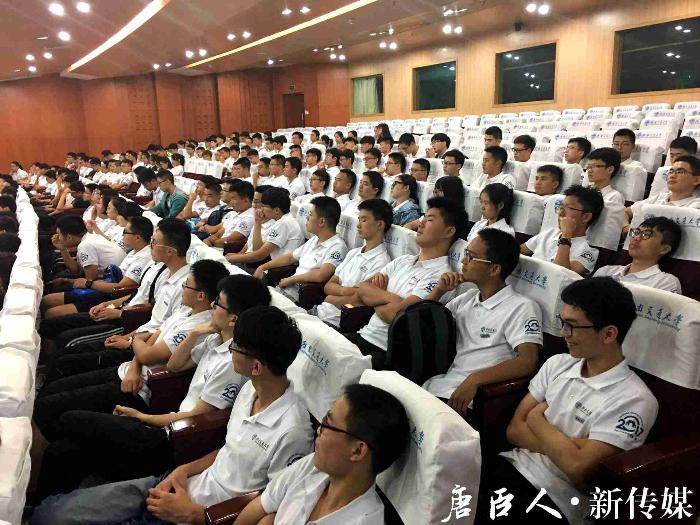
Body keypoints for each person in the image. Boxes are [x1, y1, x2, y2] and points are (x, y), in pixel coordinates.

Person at [29, 305, 314, 525]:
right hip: (182, 483)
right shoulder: (251, 391)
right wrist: (183, 470)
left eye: (234, 348)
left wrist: (198, 514)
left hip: (197, 514)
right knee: (49, 513)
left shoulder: (292, 432)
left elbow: (271, 502)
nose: (230, 352)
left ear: (256, 367)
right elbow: (228, 451)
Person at [32, 275, 271, 498]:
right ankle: (38, 502)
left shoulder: (233, 363)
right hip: (164, 420)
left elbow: (196, 416)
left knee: (69, 418)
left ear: (233, 319)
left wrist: (143, 417)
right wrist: (194, 335)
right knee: (62, 451)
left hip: (168, 438)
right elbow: (175, 365)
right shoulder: (212, 339)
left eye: (217, 304)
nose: (211, 307)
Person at [476, 278, 658, 525]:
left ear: (608, 334)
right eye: (563, 323)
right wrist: (567, 448)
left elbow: (578, 469)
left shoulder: (634, 399)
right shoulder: (558, 364)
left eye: (571, 326)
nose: (563, 333)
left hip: (557, 497)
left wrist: (535, 419)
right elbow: (514, 431)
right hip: (511, 464)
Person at [235, 383, 410, 525]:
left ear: (357, 451)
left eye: (327, 424)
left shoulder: (365, 521)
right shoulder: (311, 467)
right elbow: (261, 506)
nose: (319, 429)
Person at [423, 229, 542, 412]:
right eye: (465, 254)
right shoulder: (467, 298)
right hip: (438, 384)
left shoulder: (521, 306)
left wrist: (475, 379)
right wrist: (438, 291)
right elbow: (423, 323)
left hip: (468, 398)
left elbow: (527, 361)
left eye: (471, 257)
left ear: (494, 269)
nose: (463, 262)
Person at [351, 198, 467, 368]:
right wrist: (391, 300)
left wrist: (376, 299)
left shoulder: (441, 276)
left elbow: (400, 318)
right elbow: (362, 289)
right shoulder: (403, 260)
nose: (420, 223)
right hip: (362, 335)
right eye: (423, 217)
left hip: (385, 351)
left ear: (449, 231)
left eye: (429, 220)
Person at [41, 215, 153, 318]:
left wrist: (89, 286)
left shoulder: (144, 257)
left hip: (111, 297)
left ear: (137, 238)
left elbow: (117, 288)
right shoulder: (134, 252)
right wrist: (63, 250)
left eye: (125, 232)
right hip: (105, 289)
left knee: (50, 310)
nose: (122, 235)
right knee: (50, 296)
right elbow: (80, 273)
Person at [255, 196, 348, 302]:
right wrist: (262, 267)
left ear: (322, 221)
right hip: (285, 289)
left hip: (298, 296)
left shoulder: (337, 247)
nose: (307, 218)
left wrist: (291, 279)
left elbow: (321, 275)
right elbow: (290, 257)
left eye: (310, 215)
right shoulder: (314, 239)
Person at [317, 199, 393, 328]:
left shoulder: (382, 263)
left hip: (337, 322)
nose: (358, 225)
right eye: (359, 219)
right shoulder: (353, 252)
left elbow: (358, 299)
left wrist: (331, 298)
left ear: (380, 224)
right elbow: (328, 286)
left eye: (364, 220)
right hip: (319, 311)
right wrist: (347, 290)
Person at [521, 185, 604, 276]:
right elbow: (518, 251)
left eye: (570, 208)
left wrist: (566, 235)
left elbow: (560, 274)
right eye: (561, 208)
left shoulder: (588, 252)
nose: (561, 213)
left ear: (586, 217)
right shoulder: (548, 233)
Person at [594, 217, 682, 294]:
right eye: (636, 232)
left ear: (664, 249)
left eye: (646, 234)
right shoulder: (605, 271)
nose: (636, 238)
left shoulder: (665, 282)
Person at [226, 187, 304, 268]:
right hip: (274, 267)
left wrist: (231, 258)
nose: (261, 209)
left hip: (280, 270)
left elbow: (259, 255)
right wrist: (257, 223)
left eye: (263, 206)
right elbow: (257, 248)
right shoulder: (284, 220)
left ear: (276, 210)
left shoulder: (284, 223)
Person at [46, 214, 126, 284]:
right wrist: (63, 249)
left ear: (69, 237)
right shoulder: (91, 237)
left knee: (58, 284)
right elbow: (77, 270)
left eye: (59, 234)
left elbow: (90, 280)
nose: (57, 237)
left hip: (115, 284)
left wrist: (66, 280)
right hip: (113, 279)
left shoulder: (85, 245)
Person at [625, 155, 700, 228]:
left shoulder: (696, 206)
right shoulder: (659, 198)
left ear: (696, 180)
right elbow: (625, 212)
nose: (672, 176)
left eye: (680, 172)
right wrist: (626, 228)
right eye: (671, 171)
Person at [205, 179, 253, 249]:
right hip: (215, 247)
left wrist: (211, 244)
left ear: (246, 200)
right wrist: (208, 241)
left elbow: (230, 240)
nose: (231, 202)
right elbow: (217, 235)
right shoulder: (233, 214)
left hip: (225, 251)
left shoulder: (250, 218)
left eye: (234, 198)